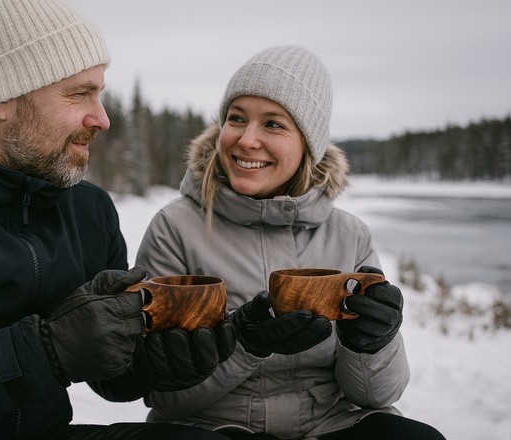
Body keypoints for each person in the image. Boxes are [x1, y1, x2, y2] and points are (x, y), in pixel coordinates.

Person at [0, 0, 236, 438]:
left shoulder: (87, 209)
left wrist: (166, 357)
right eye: (79, 93)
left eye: (101, 92)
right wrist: (48, 351)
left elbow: (111, 379)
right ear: (1, 97)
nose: (102, 119)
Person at [128, 46, 447, 439]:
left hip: (329, 423)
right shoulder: (175, 228)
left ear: (308, 145)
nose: (247, 140)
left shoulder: (350, 236)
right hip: (209, 426)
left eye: (274, 124)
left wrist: (372, 344)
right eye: (236, 118)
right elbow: (168, 398)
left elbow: (377, 396)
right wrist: (244, 344)